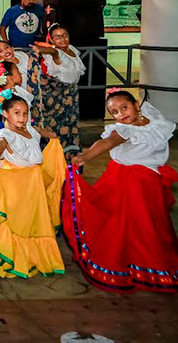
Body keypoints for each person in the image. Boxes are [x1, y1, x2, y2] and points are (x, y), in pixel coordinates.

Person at [63, 91, 178, 294]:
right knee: (130, 223)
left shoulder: (154, 119)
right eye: (114, 112)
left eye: (124, 107)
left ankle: (154, 262)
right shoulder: (124, 130)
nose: (121, 114)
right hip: (128, 181)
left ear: (135, 104)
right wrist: (85, 156)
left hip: (150, 181)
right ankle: (133, 262)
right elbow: (106, 142)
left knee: (154, 221)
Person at [0, 95, 66, 279]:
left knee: (34, 219)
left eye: (25, 113)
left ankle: (34, 257)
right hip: (17, 184)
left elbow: (43, 132)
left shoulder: (30, 130)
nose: (22, 117)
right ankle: (14, 257)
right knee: (18, 221)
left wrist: (51, 136)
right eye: (16, 113)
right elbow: (0, 145)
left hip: (34, 183)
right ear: (5, 114)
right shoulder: (5, 134)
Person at [36, 24, 86, 155]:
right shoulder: (55, 53)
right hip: (59, 97)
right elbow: (53, 52)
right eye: (57, 37)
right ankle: (55, 157)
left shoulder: (72, 50)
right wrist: (40, 49)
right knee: (58, 126)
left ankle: (71, 157)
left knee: (72, 125)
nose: (62, 39)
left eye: (65, 35)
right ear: (51, 39)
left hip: (72, 94)